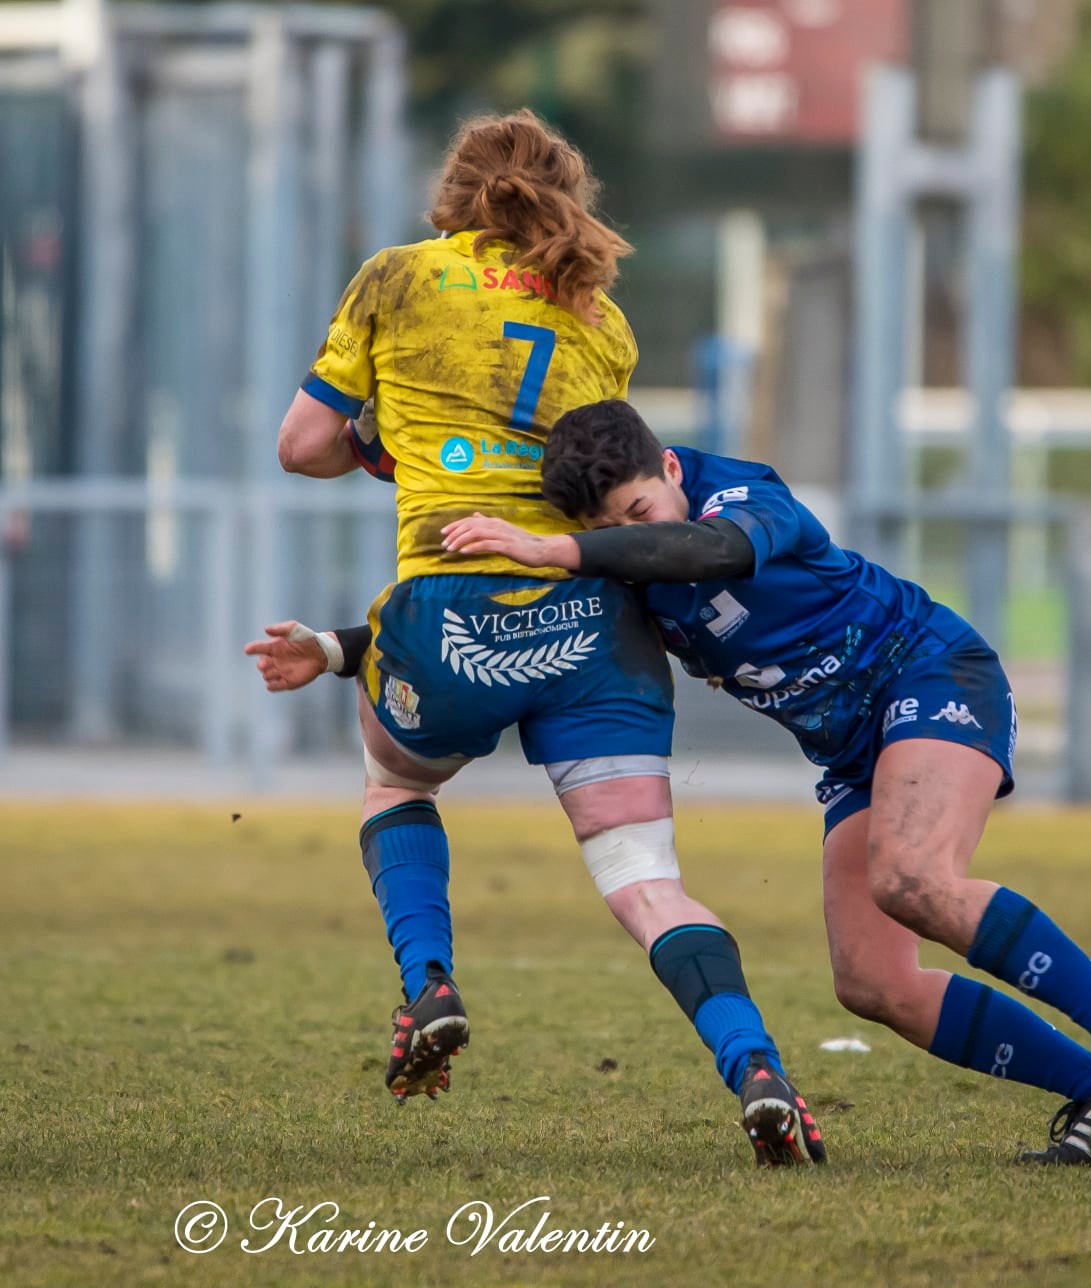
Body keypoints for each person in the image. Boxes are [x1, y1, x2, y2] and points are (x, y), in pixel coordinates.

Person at [257, 111, 823, 1165]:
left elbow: (300, 446)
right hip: (592, 627)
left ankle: (427, 980)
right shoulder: (597, 317)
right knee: (644, 877)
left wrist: (383, 441)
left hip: (450, 611)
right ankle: (754, 1064)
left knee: (398, 789)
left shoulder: (395, 277)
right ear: (567, 194)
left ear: (453, 192)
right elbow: (587, 473)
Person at [423, 400, 1091, 1164]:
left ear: (668, 467)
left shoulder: (744, 494)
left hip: (927, 673)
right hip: (854, 752)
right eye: (610, 529)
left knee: (912, 877)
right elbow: (515, 621)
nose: (633, 535)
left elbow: (709, 551)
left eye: (640, 509)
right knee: (872, 982)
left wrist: (561, 550)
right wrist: (339, 650)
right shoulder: (619, 559)